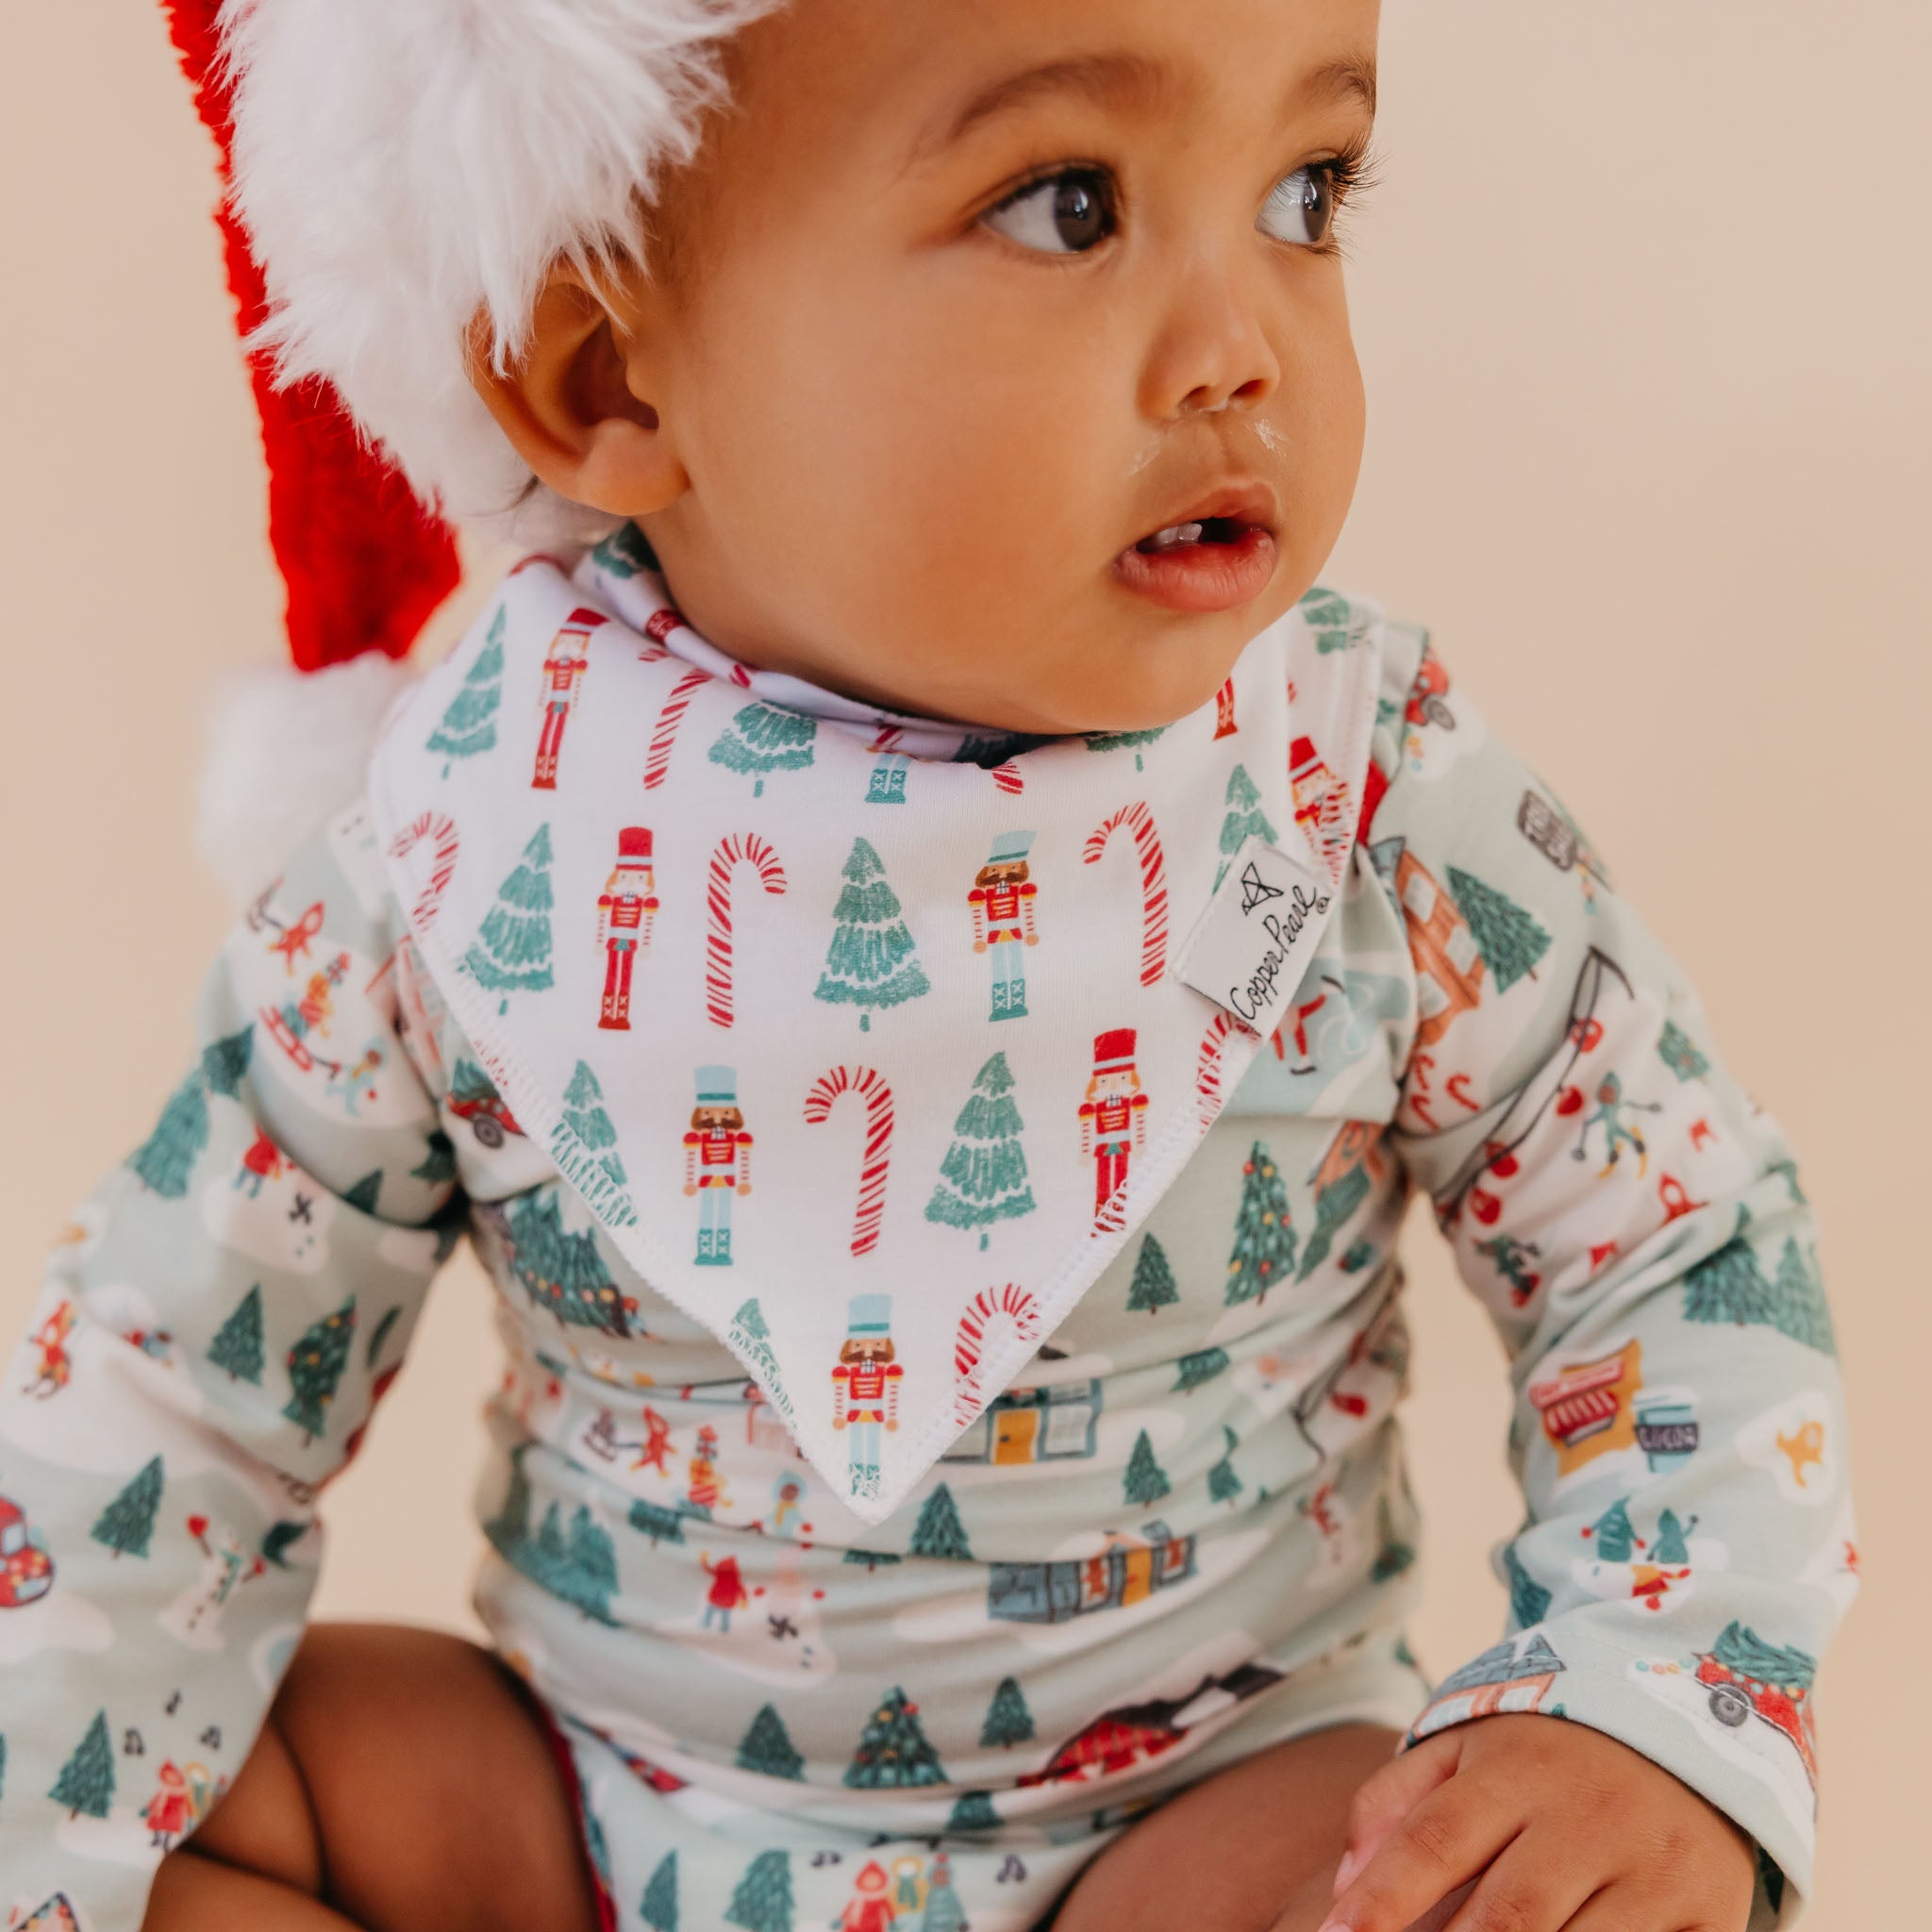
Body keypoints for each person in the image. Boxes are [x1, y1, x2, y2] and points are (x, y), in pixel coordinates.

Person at [0, 2, 1854, 1930]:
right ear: (609, 374)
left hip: (1187, 1824)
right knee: (148, 1776)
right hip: (584, 1811)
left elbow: (1675, 1239)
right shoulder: (465, 840)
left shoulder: (1356, 797)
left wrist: (1645, 1701)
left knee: (1465, 1886)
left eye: (1304, 194)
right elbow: (167, 1390)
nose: (1241, 347)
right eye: (1069, 207)